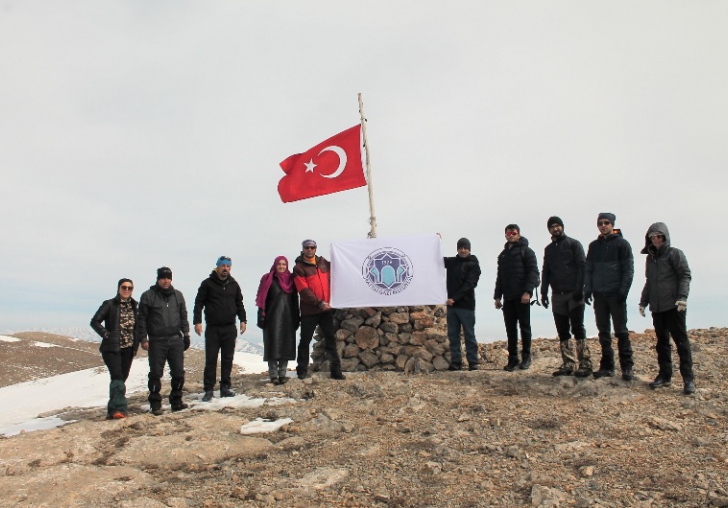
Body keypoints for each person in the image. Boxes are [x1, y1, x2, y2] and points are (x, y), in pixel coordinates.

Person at [638, 223, 695, 394]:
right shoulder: (650, 258)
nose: (656, 239)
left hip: (674, 306)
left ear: (665, 237)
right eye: (652, 237)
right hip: (657, 307)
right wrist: (643, 302)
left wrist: (682, 298)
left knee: (681, 342)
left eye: (659, 236)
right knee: (662, 343)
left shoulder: (675, 253)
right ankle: (665, 376)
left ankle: (688, 379)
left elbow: (685, 275)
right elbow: (649, 282)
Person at [540, 217, 593, 378]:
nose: (555, 229)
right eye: (552, 227)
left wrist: (579, 288)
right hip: (557, 294)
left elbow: (583, 266)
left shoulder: (573, 244)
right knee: (562, 330)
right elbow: (546, 270)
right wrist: (543, 292)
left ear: (562, 227)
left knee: (578, 327)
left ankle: (585, 363)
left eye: (557, 226)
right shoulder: (549, 249)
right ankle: (568, 363)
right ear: (549, 230)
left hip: (573, 294)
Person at [584, 213, 635, 381]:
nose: (603, 225)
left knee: (621, 331)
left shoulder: (622, 244)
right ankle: (607, 366)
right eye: (601, 223)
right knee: (603, 332)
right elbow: (589, 269)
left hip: (616, 294)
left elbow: (628, 269)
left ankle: (627, 367)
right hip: (599, 295)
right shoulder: (594, 246)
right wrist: (588, 289)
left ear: (613, 225)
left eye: (607, 223)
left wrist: (623, 290)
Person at [193, 256, 247, 402]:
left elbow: (239, 303)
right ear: (217, 267)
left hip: (229, 327)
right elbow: (199, 303)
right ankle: (209, 389)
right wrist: (197, 321)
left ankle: (225, 387)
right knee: (211, 359)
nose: (225, 269)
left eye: (228, 266)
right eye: (223, 266)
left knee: (227, 358)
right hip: (213, 327)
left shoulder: (233, 284)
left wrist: (243, 320)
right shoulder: (207, 284)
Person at [138, 266, 191, 415]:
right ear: (158, 279)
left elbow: (183, 316)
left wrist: (186, 334)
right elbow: (141, 319)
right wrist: (143, 338)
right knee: (155, 373)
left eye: (168, 278)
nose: (166, 281)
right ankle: (155, 404)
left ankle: (176, 401)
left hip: (175, 339)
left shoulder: (178, 296)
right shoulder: (148, 296)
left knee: (178, 373)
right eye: (163, 278)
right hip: (157, 341)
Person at [293, 239, 345, 380]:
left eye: (312, 247)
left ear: (316, 249)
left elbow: (339, 270)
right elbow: (303, 290)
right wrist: (319, 303)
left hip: (326, 310)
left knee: (330, 340)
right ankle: (302, 371)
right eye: (307, 247)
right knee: (305, 341)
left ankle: (336, 371)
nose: (309, 249)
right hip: (310, 311)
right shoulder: (299, 268)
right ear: (303, 249)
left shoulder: (324, 263)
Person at [90, 278, 140, 419]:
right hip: (112, 348)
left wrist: (141, 341)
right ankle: (119, 410)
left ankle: (113, 409)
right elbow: (95, 321)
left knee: (121, 378)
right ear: (118, 288)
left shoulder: (135, 306)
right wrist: (106, 334)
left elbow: (139, 326)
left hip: (129, 348)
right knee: (117, 376)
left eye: (129, 288)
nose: (126, 290)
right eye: (124, 287)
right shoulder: (110, 304)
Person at [494, 224, 540, 371]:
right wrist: (497, 296)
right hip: (508, 297)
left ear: (518, 234)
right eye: (508, 232)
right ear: (505, 235)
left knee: (525, 328)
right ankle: (513, 358)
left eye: (514, 232)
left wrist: (528, 292)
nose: (511, 235)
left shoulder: (527, 252)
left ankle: (526, 357)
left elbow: (533, 273)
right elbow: (500, 277)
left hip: (522, 297)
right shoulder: (503, 255)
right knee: (510, 329)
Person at [256, 256, 300, 384]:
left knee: (285, 346)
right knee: (273, 346)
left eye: (284, 264)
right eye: (279, 264)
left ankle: (282, 374)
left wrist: (297, 318)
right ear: (275, 265)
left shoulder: (291, 281)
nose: (281, 266)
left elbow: (294, 301)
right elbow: (262, 299)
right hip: (271, 318)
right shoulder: (268, 279)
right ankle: (273, 375)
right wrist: (261, 316)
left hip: (288, 318)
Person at [444, 238, 482, 371]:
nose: (463, 250)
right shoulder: (452, 262)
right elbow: (436, 259)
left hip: (466, 306)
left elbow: (469, 284)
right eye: (461, 247)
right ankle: (456, 362)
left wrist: (454, 298)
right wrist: (436, 240)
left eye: (465, 248)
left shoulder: (474, 264)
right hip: (451, 307)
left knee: (469, 335)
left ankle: (473, 362)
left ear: (469, 249)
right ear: (457, 249)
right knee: (453, 335)